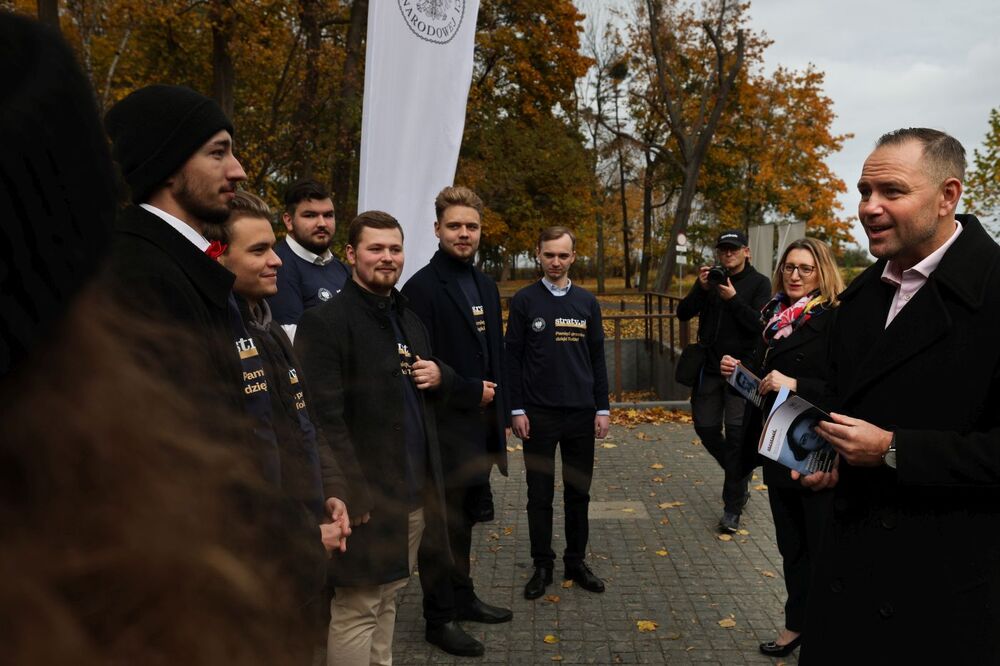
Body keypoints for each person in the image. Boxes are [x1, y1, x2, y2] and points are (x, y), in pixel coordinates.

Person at [0, 13, 310, 664]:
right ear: (170, 166)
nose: (240, 168)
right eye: (219, 150)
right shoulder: (146, 277)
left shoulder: (185, 268)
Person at [797, 128, 1000, 664]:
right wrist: (827, 458)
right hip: (848, 579)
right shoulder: (860, 297)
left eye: (891, 191)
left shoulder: (994, 293)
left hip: (945, 596)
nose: (869, 207)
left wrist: (893, 449)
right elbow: (843, 400)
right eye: (864, 191)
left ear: (948, 197)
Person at [294, 211, 454, 666]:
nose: (387, 258)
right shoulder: (325, 322)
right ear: (351, 254)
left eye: (395, 249)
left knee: (388, 598)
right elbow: (324, 419)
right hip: (366, 500)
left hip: (413, 494)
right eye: (376, 248)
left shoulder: (407, 317)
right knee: (357, 607)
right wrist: (349, 490)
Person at [210, 190, 354, 564]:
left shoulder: (269, 329)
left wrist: (332, 489)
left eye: (272, 248)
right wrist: (300, 536)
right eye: (258, 251)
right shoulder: (214, 339)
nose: (276, 260)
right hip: (266, 555)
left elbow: (306, 421)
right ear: (218, 255)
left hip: (306, 540)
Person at [401, 186, 512, 657]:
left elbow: (495, 358)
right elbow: (417, 368)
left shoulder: (486, 285)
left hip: (481, 429)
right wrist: (472, 391)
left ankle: (463, 597)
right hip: (442, 431)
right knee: (440, 528)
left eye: (471, 226)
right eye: (454, 226)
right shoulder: (421, 289)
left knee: (465, 521)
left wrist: (501, 416)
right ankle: (438, 618)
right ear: (437, 230)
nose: (463, 233)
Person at [720, 237, 844, 658]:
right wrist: (741, 374)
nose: (794, 275)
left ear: (821, 272)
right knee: (791, 546)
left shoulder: (834, 319)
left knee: (821, 547)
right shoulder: (772, 317)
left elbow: (847, 389)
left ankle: (828, 632)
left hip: (816, 452)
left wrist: (797, 385)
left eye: (805, 268)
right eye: (789, 267)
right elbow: (763, 391)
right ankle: (796, 626)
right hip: (777, 447)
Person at [506, 226, 610, 600]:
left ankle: (576, 560)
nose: (555, 262)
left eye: (562, 255)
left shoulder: (586, 302)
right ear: (538, 253)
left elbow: (597, 358)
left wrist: (603, 408)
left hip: (582, 415)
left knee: (578, 493)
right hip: (537, 416)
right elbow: (512, 359)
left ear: (573, 257)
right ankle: (542, 564)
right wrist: (515, 409)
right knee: (539, 495)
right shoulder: (524, 301)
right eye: (549, 254)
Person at [678, 229, 771, 532]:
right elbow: (683, 313)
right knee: (704, 428)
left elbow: (761, 326)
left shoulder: (759, 283)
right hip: (709, 369)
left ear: (746, 252)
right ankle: (739, 472)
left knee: (736, 438)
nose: (727, 254)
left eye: (733, 249)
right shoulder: (711, 280)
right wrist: (701, 289)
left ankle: (732, 508)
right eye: (723, 250)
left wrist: (732, 299)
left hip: (742, 373)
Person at [268, 179, 351, 340]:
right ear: (288, 220)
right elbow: (291, 339)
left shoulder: (343, 269)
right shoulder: (278, 267)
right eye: (310, 215)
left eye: (328, 215)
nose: (322, 223)